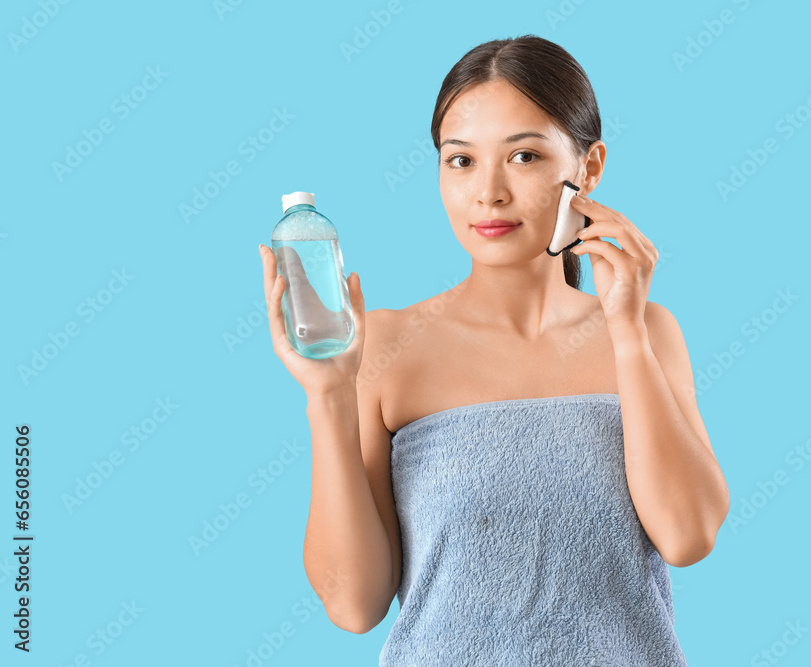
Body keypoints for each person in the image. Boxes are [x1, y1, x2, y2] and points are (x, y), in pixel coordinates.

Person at [259, 34, 729, 667]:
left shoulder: (648, 333)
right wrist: (327, 397)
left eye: (525, 157)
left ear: (587, 168)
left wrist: (625, 334)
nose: (489, 193)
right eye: (461, 161)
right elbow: (354, 606)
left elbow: (689, 535)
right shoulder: (387, 345)